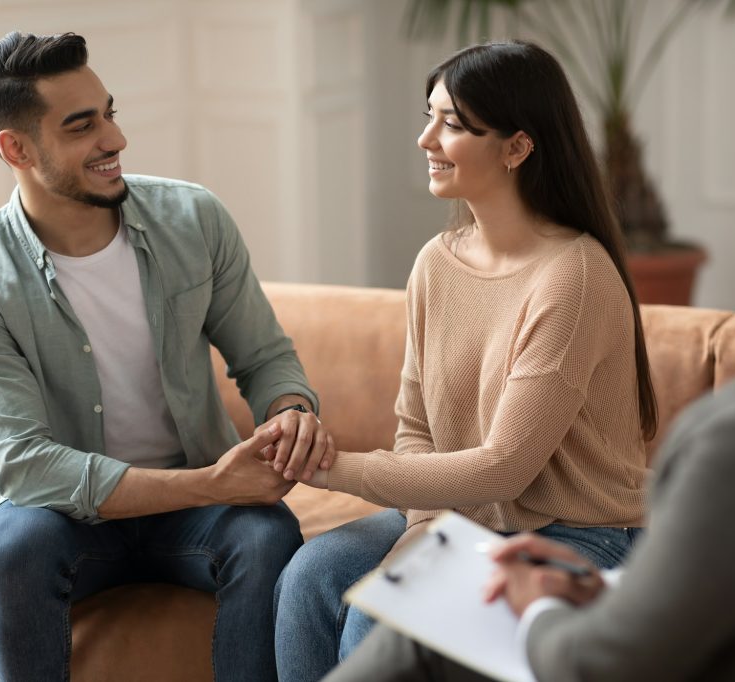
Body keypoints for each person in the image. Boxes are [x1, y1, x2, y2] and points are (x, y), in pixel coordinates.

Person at [325, 29, 735, 682]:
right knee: (333, 587)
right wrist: (611, 588)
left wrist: (541, 607)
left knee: (406, 639)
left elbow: (605, 662)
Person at [0, 31, 335, 682]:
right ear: (17, 148)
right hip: (63, 515)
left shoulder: (194, 219)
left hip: (197, 506)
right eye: (82, 126)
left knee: (266, 540)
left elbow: (264, 358)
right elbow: (26, 468)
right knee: (16, 546)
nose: (114, 140)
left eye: (110, 114)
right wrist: (213, 482)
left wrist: (290, 412)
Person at [273, 41, 658, 681]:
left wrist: (335, 471)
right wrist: (425, 526)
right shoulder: (437, 261)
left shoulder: (574, 279)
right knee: (309, 576)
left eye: (453, 123)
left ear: (517, 147)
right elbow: (417, 427)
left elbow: (505, 467)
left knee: (386, 618)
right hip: (465, 516)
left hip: (580, 534)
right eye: (430, 115)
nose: (426, 138)